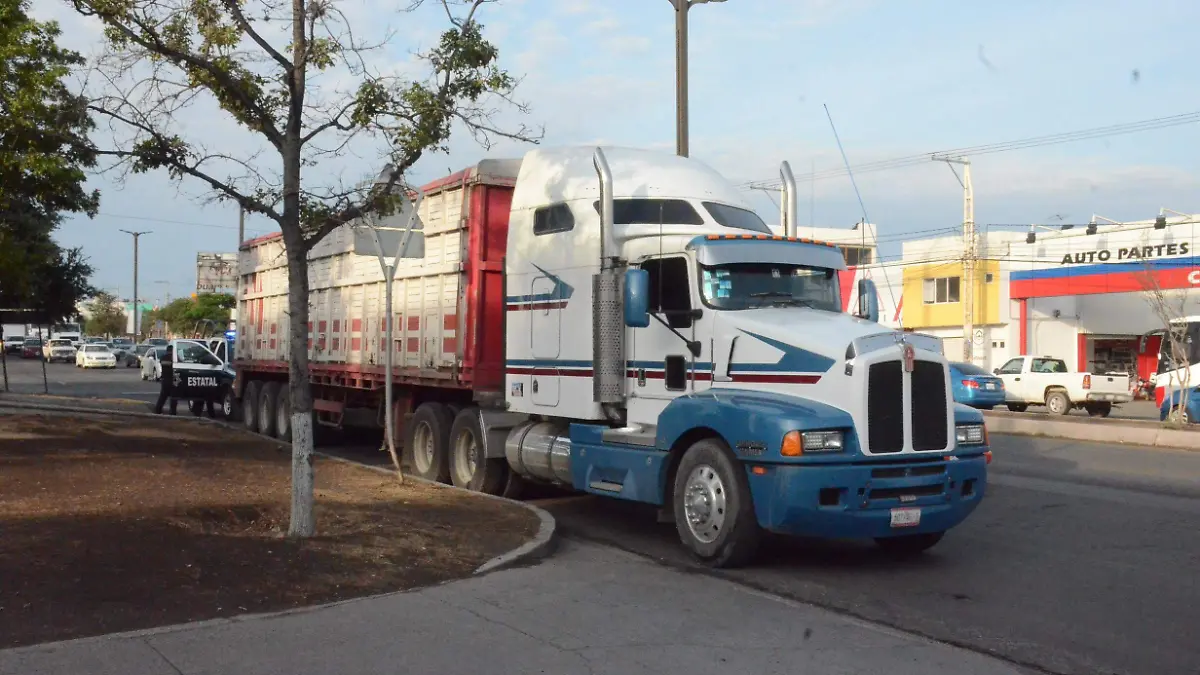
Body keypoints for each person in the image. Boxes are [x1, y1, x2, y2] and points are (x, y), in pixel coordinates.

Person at [153, 345, 177, 415]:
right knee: (173, 397)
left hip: (164, 379)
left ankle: (158, 410)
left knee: (163, 396)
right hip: (172, 379)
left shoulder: (163, 357)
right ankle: (173, 412)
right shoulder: (174, 358)